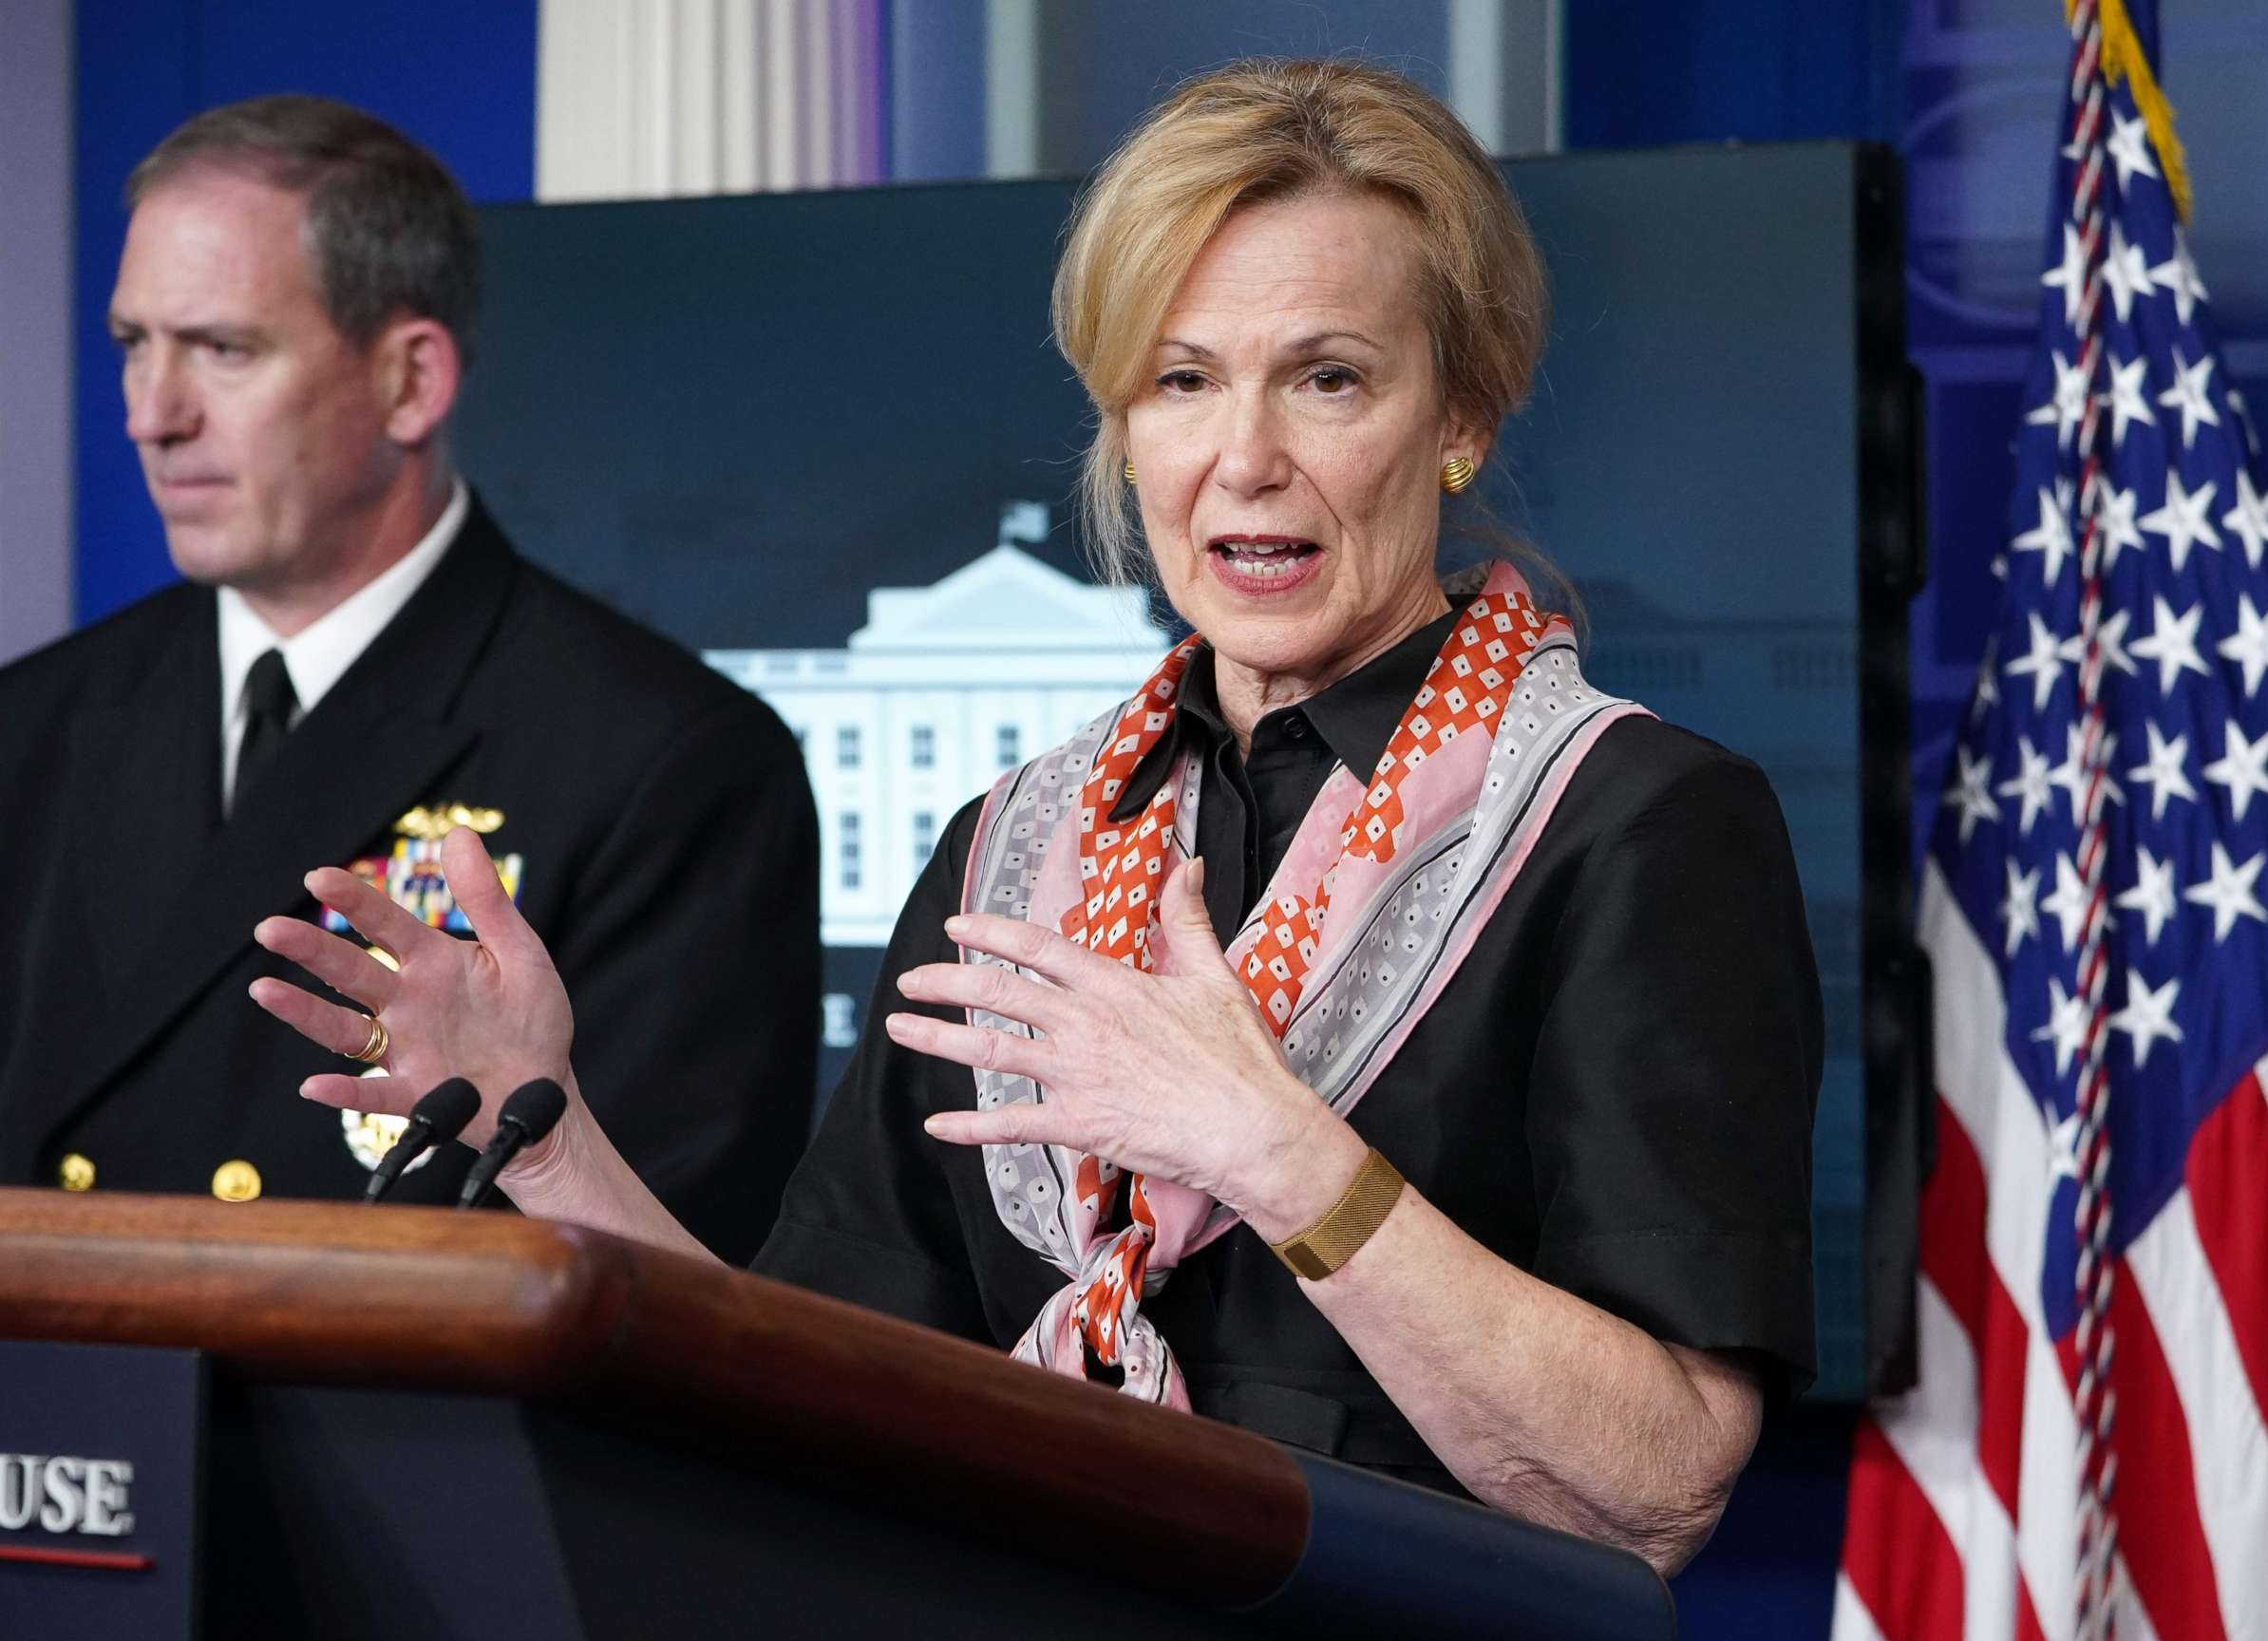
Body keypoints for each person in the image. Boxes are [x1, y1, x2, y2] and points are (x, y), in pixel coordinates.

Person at [250, 61, 1819, 1571]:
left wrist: (1275, 1150)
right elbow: (810, 1382)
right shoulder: (1019, 842)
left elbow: (1655, 1488)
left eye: (1326, 377)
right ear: (1122, 429)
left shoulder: (1636, 826)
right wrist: (547, 1128)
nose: (1244, 460)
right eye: (1181, 381)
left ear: (1458, 415)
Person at [0, 95, 817, 1264]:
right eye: (136, 343)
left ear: (409, 383)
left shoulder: (669, 762)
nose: (152, 415)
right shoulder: (32, 726)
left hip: (396, 1435)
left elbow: (665, 1295)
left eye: (223, 349)